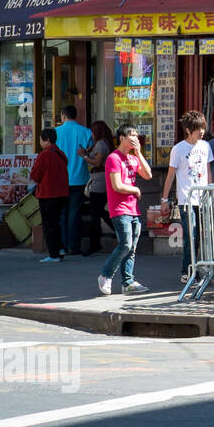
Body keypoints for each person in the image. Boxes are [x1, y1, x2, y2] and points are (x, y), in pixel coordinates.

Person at [99, 125, 152, 296]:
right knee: (126, 244)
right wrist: (135, 190)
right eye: (132, 136)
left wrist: (139, 153)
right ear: (121, 138)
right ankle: (106, 275)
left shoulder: (133, 158)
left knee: (132, 247)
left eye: (137, 136)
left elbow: (148, 175)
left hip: (133, 209)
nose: (136, 139)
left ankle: (128, 282)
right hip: (120, 209)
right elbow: (117, 185)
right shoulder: (113, 158)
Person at [160, 111, 211, 284]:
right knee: (191, 235)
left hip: (204, 198)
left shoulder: (205, 146)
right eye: (198, 128)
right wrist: (164, 200)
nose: (201, 131)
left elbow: (208, 171)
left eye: (203, 127)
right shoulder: (178, 149)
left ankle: (197, 269)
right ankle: (188, 271)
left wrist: (210, 192)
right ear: (188, 130)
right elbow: (170, 175)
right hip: (186, 199)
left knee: (201, 236)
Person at [56, 105, 92, 255]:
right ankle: (74, 245)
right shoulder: (86, 132)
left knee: (62, 213)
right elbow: (90, 153)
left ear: (63, 116)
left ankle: (63, 245)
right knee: (74, 212)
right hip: (79, 178)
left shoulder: (55, 132)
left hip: (60, 178)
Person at [32, 127, 69, 263]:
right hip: (62, 193)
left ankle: (53, 254)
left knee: (49, 224)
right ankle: (60, 249)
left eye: (41, 139)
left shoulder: (44, 155)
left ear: (46, 140)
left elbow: (35, 175)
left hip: (48, 194)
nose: (40, 142)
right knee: (56, 223)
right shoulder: (60, 153)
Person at [81, 121, 115, 257]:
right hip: (100, 179)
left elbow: (97, 162)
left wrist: (83, 156)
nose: (92, 134)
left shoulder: (101, 144)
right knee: (99, 210)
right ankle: (116, 230)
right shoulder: (102, 143)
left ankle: (95, 242)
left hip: (100, 181)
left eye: (93, 132)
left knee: (95, 211)